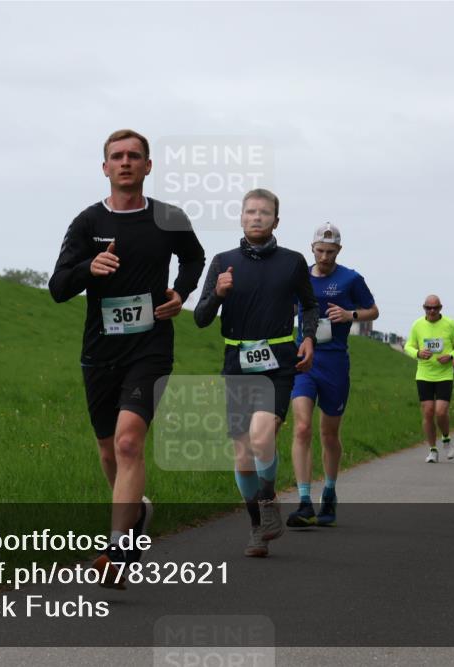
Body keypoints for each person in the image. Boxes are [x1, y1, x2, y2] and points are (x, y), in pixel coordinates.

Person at [49, 129, 205, 586]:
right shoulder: (85, 223)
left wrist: (182, 293)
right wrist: (87, 268)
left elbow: (194, 259)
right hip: (99, 351)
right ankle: (136, 513)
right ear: (104, 168)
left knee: (128, 442)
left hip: (150, 346)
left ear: (148, 166)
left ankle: (119, 550)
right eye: (116, 156)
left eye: (134, 156)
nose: (125, 162)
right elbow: (58, 288)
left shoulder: (168, 217)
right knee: (107, 449)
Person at [194, 188, 318, 557]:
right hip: (236, 364)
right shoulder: (222, 262)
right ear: (241, 218)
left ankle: (267, 501)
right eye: (250, 212)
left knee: (262, 438)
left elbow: (309, 306)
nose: (257, 217)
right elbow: (201, 318)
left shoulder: (293, 262)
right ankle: (256, 526)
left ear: (276, 221)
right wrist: (217, 293)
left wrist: (308, 338)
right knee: (242, 452)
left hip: (278, 363)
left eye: (265, 212)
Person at [286, 223, 378, 528]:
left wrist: (351, 315)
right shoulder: (299, 277)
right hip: (304, 360)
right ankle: (303, 501)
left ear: (339, 251)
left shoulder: (351, 279)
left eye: (330, 251)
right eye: (320, 250)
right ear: (311, 248)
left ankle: (328, 491)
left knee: (328, 433)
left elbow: (373, 311)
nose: (324, 257)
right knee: (301, 427)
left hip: (335, 363)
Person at [404, 295, 454, 463]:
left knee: (441, 411)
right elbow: (408, 345)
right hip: (424, 374)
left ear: (441, 308)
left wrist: (451, 356)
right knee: (428, 412)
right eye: (428, 308)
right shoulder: (417, 325)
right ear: (424, 308)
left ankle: (446, 439)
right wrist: (418, 353)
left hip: (444, 374)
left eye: (435, 308)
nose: (432, 311)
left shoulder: (450, 324)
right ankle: (432, 449)